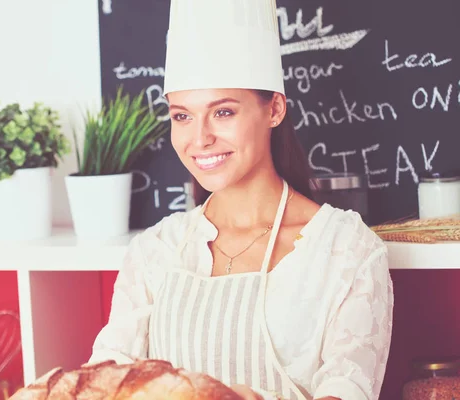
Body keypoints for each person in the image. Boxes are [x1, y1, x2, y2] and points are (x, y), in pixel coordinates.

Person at [88, 0, 394, 399]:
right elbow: (105, 382)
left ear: (275, 110)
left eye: (223, 112)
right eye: (182, 116)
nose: (199, 139)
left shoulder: (346, 250)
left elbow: (348, 389)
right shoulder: (154, 252)